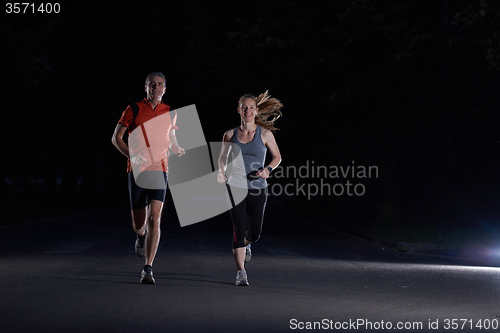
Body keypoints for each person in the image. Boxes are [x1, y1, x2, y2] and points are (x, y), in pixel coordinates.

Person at [111, 72, 185, 284]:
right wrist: (133, 156)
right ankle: (140, 236)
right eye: (152, 85)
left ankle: (148, 268)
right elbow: (116, 138)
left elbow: (170, 137)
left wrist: (176, 147)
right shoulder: (133, 109)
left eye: (160, 85)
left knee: (155, 217)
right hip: (137, 170)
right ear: (146, 88)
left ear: (165, 89)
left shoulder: (171, 112)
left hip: (160, 169)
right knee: (138, 224)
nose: (156, 88)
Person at [217, 91, 282, 286]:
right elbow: (222, 158)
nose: (247, 110)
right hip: (235, 186)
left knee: (254, 233)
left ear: (256, 110)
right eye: (244, 107)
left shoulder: (264, 134)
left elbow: (277, 157)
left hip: (257, 188)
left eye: (251, 107)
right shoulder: (230, 134)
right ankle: (240, 272)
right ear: (238, 110)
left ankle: (247, 244)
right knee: (238, 228)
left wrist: (268, 170)